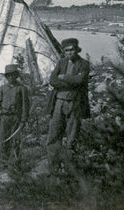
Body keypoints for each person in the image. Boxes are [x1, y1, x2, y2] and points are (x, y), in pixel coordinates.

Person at [45, 38, 90, 174]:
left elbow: (80, 80)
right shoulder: (61, 62)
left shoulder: (84, 64)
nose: (69, 53)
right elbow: (53, 80)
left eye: (72, 50)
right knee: (54, 135)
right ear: (63, 52)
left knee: (72, 136)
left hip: (75, 103)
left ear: (76, 50)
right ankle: (54, 168)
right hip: (59, 102)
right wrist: (70, 81)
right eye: (66, 50)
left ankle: (70, 169)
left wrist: (64, 77)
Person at [0, 64, 30, 171]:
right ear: (6, 77)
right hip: (5, 117)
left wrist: (23, 120)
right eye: (8, 76)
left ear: (16, 76)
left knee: (16, 140)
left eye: (13, 75)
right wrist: (0, 111)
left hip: (16, 118)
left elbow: (25, 105)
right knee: (3, 139)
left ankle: (14, 163)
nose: (11, 78)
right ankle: (3, 163)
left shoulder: (22, 89)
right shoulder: (2, 88)